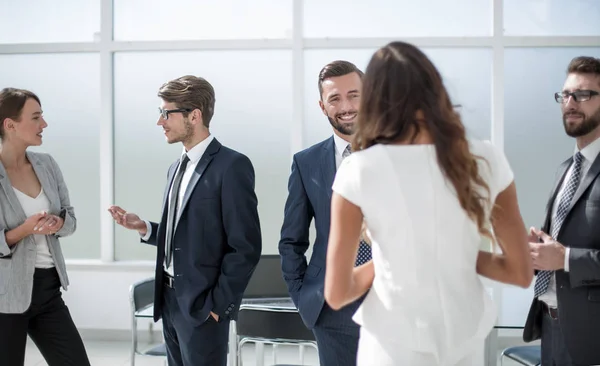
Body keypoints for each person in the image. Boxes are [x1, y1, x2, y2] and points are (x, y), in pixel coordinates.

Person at [324, 41, 533, 366]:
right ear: (435, 89)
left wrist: (393, 257)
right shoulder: (485, 158)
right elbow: (520, 272)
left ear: (375, 99)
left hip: (389, 347)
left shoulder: (359, 168)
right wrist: (455, 253)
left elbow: (337, 293)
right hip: (464, 346)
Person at [108, 75, 262, 366]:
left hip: (203, 307)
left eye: (166, 113)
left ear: (195, 115)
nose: (160, 122)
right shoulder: (175, 168)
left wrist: (217, 306)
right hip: (168, 300)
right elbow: (185, 233)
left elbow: (245, 246)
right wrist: (145, 228)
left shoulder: (231, 166)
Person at [279, 60, 372, 365]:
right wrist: (303, 294)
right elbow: (292, 240)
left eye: (353, 95)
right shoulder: (306, 163)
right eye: (335, 98)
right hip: (333, 308)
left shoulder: (397, 153)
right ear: (322, 106)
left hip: (393, 300)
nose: (346, 106)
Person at [0, 88, 90, 366]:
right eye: (36, 117)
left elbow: (71, 220)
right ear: (10, 125)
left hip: (49, 290)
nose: (44, 124)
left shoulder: (47, 164)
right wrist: (25, 230)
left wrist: (58, 223)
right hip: (5, 296)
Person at [523, 56, 600, 366]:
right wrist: (539, 252)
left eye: (583, 94)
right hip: (552, 328)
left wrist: (565, 258)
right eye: (565, 95)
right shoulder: (565, 169)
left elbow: (565, 255)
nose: (571, 102)